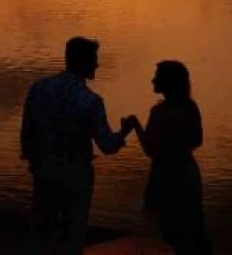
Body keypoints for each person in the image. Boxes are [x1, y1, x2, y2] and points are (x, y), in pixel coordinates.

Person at [21, 37, 134, 254]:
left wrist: (34, 163)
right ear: (83, 62)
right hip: (76, 176)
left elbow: (27, 132)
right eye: (94, 60)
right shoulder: (90, 101)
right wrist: (124, 132)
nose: (97, 65)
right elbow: (107, 145)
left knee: (42, 230)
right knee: (72, 235)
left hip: (44, 171)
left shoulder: (39, 88)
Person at [128, 61, 212, 255]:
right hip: (187, 171)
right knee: (192, 228)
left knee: (171, 230)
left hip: (165, 175)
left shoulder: (159, 112)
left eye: (157, 76)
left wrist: (135, 125)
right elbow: (197, 140)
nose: (153, 80)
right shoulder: (190, 107)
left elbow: (150, 149)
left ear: (168, 82)